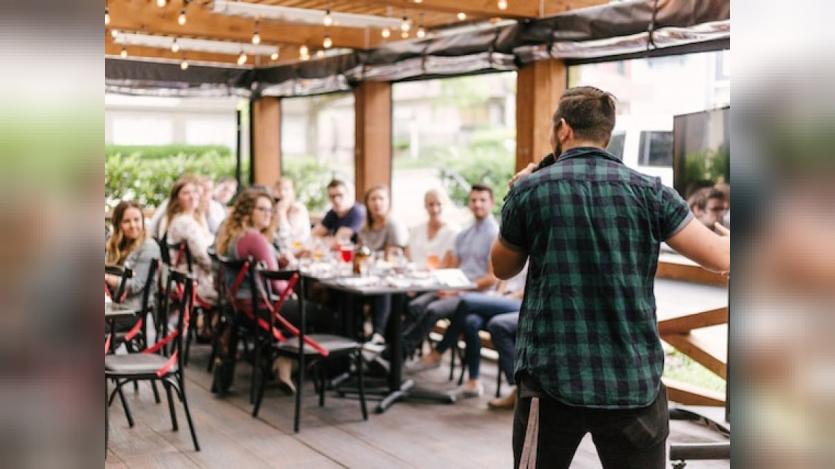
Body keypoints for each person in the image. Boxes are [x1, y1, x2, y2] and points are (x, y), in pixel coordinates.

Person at [493, 86, 730, 468]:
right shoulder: (651, 191)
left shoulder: (532, 190)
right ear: (608, 134)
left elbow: (502, 266)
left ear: (564, 129)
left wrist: (516, 192)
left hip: (552, 378)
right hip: (632, 380)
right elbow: (721, 258)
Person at [401, 185, 499, 361]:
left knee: (431, 309)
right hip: (454, 289)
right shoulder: (464, 234)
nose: (477, 204)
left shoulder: (496, 235)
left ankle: (397, 355)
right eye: (473, 200)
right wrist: (446, 286)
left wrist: (459, 289)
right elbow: (453, 268)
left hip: (475, 294)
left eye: (482, 200)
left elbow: (492, 278)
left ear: (491, 203)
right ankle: (398, 352)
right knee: (414, 305)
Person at [414, 265, 526, 399]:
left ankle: (438, 351)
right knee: (470, 322)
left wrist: (507, 297)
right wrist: (498, 295)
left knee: (465, 302)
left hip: (516, 302)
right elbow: (501, 279)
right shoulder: (516, 253)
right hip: (498, 299)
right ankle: (474, 381)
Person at [357, 185, 409, 348]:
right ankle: (354, 337)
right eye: (373, 199)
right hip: (368, 277)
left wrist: (371, 258)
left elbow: (392, 257)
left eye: (381, 199)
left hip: (392, 279)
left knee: (382, 288)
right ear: (367, 203)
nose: (377, 203)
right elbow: (359, 253)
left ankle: (378, 335)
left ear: (388, 202)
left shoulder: (393, 225)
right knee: (348, 295)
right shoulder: (364, 227)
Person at [162, 176, 217, 302]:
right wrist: (221, 269)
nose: (192, 196)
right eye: (186, 193)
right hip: (195, 281)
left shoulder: (189, 219)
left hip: (188, 278)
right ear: (177, 199)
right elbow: (203, 256)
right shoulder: (185, 223)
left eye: (195, 192)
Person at [105, 200, 161, 311]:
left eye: (136, 220)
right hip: (112, 306)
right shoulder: (117, 244)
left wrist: (106, 278)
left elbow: (136, 285)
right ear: (118, 224)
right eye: (126, 221)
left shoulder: (148, 247)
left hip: (133, 310)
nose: (133, 225)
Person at [406, 189, 459, 269]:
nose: (435, 209)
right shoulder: (416, 230)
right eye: (431, 204)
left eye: (439, 204)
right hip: (414, 275)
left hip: (438, 277)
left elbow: (448, 264)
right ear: (425, 206)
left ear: (444, 205)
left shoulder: (453, 231)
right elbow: (408, 257)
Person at [272, 178, 312, 245]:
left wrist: (282, 213)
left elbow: (287, 237)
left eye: (286, 189)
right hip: (284, 248)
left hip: (299, 248)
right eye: (278, 190)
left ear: (293, 192)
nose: (282, 193)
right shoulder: (275, 209)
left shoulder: (299, 209)